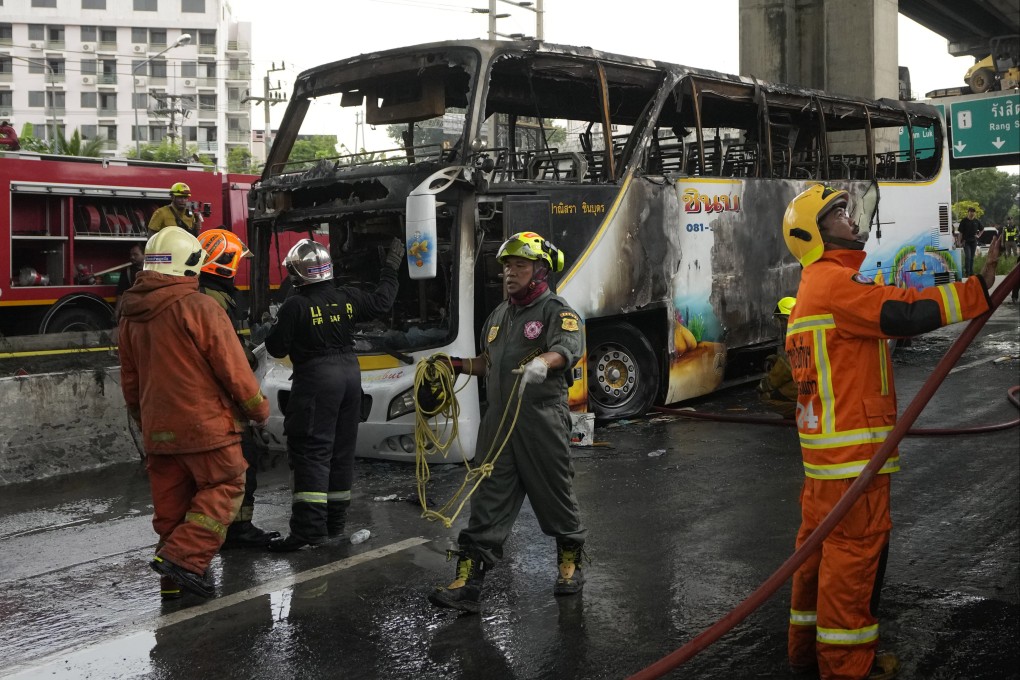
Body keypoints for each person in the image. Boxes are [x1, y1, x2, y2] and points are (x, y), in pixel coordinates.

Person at [782, 185, 999, 680]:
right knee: (853, 563)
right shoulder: (835, 286)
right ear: (813, 236)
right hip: (854, 462)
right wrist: (975, 292)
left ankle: (804, 651)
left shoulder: (811, 292)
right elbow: (901, 311)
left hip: (824, 465)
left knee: (816, 558)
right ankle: (847, 668)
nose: (850, 217)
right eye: (837, 213)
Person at [427, 231, 586, 614]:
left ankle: (570, 562)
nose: (509, 274)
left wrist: (543, 363)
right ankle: (467, 584)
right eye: (506, 267)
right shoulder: (499, 315)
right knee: (487, 500)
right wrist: (458, 366)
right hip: (498, 425)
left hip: (541, 420)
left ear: (540, 270)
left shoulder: (555, 310)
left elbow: (567, 349)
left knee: (554, 494)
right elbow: (489, 363)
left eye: (519, 266)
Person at [118, 226, 270, 599]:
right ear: (188, 265)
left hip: (159, 429)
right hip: (206, 426)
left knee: (172, 506)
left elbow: (131, 381)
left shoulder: (129, 316)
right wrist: (258, 409)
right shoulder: (200, 307)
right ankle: (185, 561)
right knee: (225, 485)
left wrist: (145, 420)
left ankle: (171, 583)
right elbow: (233, 368)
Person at [263, 237, 403, 551]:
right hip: (350, 376)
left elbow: (276, 347)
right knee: (341, 452)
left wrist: (272, 325)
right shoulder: (347, 297)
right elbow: (382, 302)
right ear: (328, 270)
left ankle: (309, 533)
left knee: (312, 453)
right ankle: (334, 526)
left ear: (295, 274)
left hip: (316, 380)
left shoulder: (295, 305)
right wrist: (390, 269)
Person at [197, 228, 281, 549]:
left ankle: (233, 530)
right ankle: (236, 532)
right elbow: (229, 355)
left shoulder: (214, 295)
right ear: (225, 264)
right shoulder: (213, 300)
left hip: (217, 399)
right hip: (223, 401)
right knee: (242, 462)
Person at [757, 296, 797, 418]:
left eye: (781, 320)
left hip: (802, 386)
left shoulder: (795, 338)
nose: (781, 325)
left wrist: (765, 385)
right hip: (807, 382)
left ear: (787, 319)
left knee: (766, 397)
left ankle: (800, 411)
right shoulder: (802, 332)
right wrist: (774, 359)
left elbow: (787, 366)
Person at [114, 243, 145, 319]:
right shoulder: (126, 271)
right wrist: (117, 311)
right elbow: (121, 292)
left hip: (147, 308)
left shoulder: (152, 270)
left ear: (144, 255)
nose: (132, 257)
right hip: (133, 309)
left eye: (135, 254)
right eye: (131, 255)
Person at [956, 207, 982, 277]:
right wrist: (959, 242)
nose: (972, 213)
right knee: (968, 256)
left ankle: (971, 272)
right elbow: (960, 233)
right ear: (968, 212)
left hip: (973, 242)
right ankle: (967, 272)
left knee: (972, 257)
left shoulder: (976, 221)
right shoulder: (964, 221)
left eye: (973, 212)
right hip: (966, 242)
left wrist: (978, 235)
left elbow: (982, 229)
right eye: (971, 212)